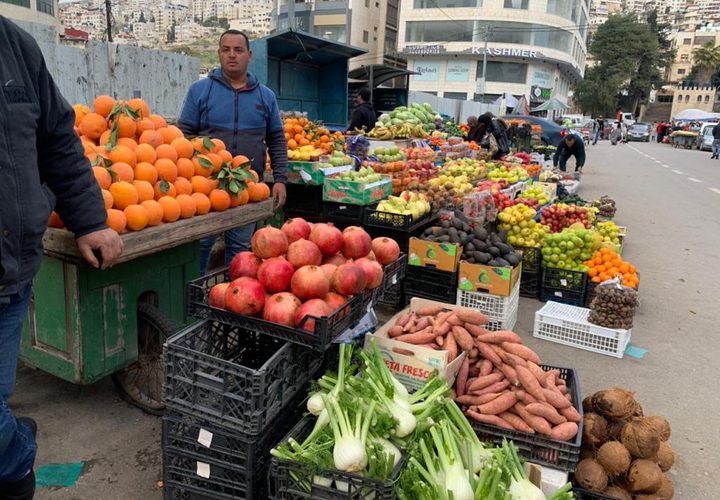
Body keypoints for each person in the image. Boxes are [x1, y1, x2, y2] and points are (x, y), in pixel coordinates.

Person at [0, 16, 124, 498]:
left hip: (8, 275)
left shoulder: (17, 47)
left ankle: (13, 463)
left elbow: (57, 142)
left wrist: (91, 219)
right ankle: (18, 455)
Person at [178, 29, 288, 275]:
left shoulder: (265, 95)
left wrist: (280, 178)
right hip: (206, 186)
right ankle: (193, 306)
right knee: (200, 246)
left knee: (240, 251)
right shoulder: (200, 91)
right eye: (226, 49)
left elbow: (276, 139)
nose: (232, 55)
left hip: (248, 187)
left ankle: (230, 302)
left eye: (238, 50)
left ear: (249, 55)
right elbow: (183, 135)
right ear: (218, 54)